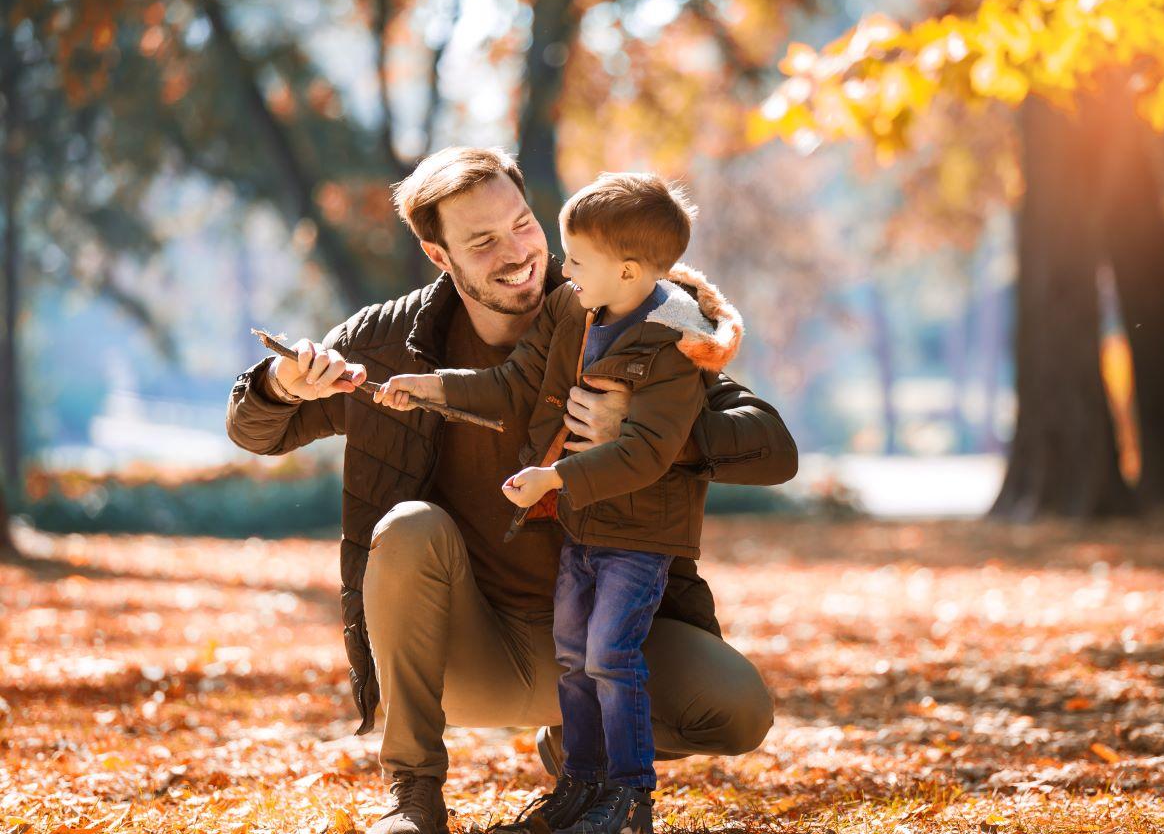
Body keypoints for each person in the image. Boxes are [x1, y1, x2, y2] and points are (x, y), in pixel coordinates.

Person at [223, 147, 799, 834]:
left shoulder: (625, 312)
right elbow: (255, 431)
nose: (519, 251)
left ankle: (581, 748)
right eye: (483, 240)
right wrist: (283, 384)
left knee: (738, 709)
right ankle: (413, 794)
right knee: (408, 526)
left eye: (523, 224)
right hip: (473, 649)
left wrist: (650, 429)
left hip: (608, 630)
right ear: (441, 258)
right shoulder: (385, 343)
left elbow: (773, 445)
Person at [373, 173, 741, 834]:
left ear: (628, 271)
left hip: (635, 542)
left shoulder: (673, 336)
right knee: (579, 657)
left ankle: (627, 798)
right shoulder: (575, 309)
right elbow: (512, 386)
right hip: (579, 542)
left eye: (577, 260)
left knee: (610, 657)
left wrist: (556, 478)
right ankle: (577, 782)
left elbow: (648, 454)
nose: (559, 269)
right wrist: (430, 386)